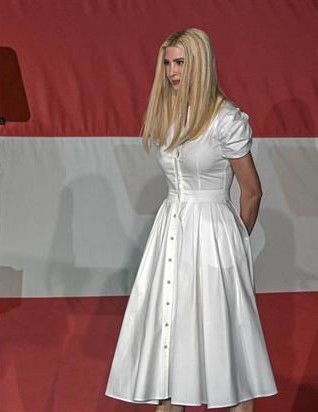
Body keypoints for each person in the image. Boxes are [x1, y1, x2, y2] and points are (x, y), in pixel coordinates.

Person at [105, 29, 277, 411]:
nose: (171, 72)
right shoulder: (168, 116)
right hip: (170, 234)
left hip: (214, 236)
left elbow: (252, 191)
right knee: (168, 355)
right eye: (167, 63)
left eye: (179, 62)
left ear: (199, 63)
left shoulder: (226, 120)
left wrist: (234, 244)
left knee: (226, 361)